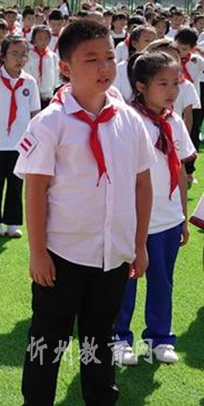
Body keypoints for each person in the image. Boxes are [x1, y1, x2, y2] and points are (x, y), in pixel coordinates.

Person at [17, 20, 155, 405]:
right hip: (62, 254)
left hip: (113, 254)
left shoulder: (129, 120)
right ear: (66, 67)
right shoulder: (51, 122)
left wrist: (139, 244)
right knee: (48, 338)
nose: (104, 67)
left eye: (109, 57)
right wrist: (38, 252)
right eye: (91, 59)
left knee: (101, 337)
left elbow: (142, 185)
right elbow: (36, 190)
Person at [112, 52, 195, 366]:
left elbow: (180, 172)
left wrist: (182, 218)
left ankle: (159, 338)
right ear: (141, 85)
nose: (172, 90)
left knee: (162, 281)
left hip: (168, 220)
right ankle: (119, 338)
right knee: (125, 282)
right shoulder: (127, 120)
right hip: (132, 220)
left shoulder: (174, 121)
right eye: (163, 83)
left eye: (176, 83)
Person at [0, 35, 41, 237]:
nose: (19, 59)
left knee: (16, 184)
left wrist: (33, 142)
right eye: (14, 54)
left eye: (23, 54)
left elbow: (35, 114)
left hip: (20, 144)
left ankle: (12, 222)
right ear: (3, 56)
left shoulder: (29, 82)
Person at [24, 26, 58, 107]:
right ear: (34, 39)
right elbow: (26, 73)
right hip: (32, 93)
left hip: (48, 94)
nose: (43, 41)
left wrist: (52, 88)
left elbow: (56, 73)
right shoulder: (29, 56)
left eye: (46, 38)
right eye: (40, 38)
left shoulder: (53, 56)